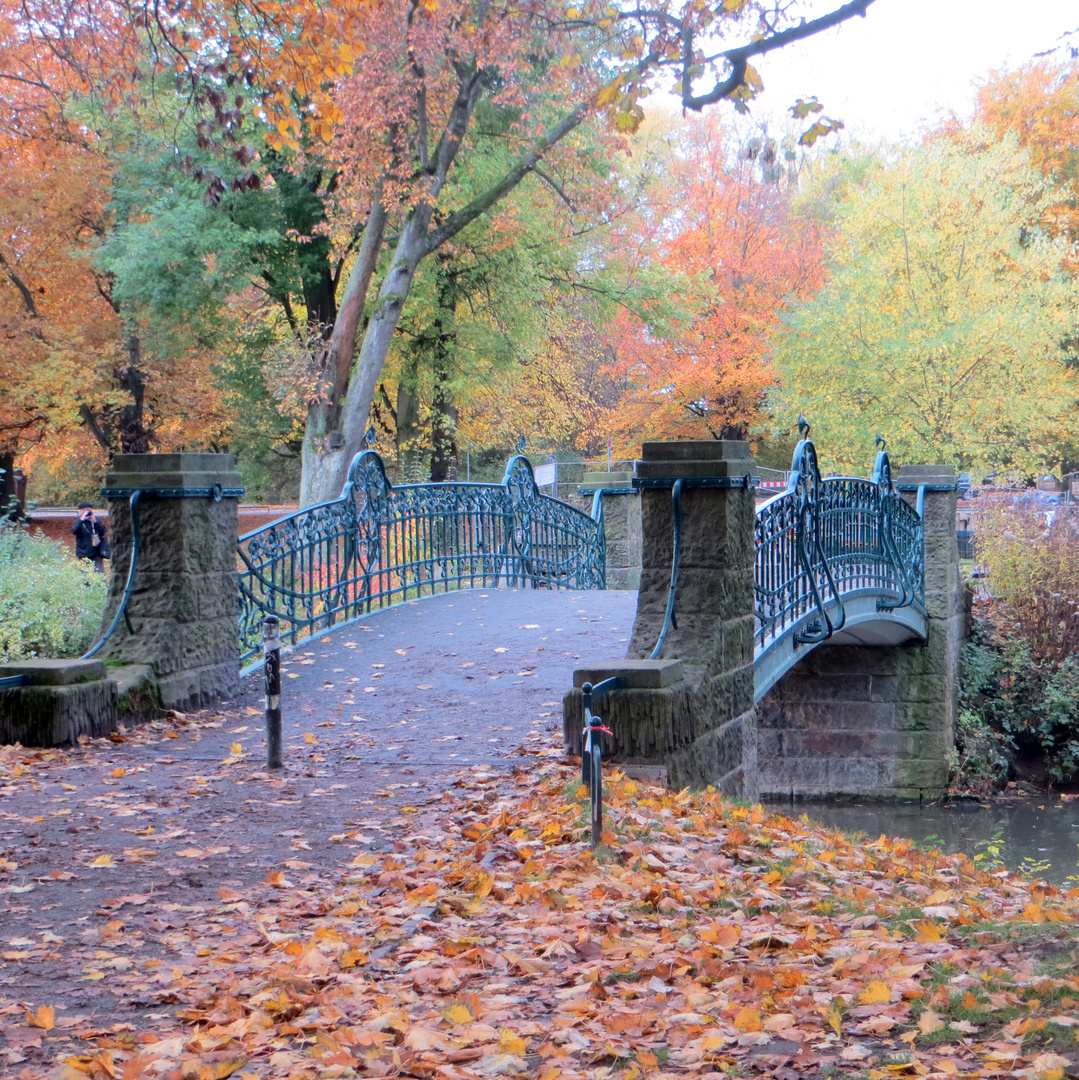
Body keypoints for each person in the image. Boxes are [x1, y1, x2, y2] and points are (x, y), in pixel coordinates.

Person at [72, 503, 110, 573]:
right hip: (83, 551)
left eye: (87, 509)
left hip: (96, 551)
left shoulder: (96, 520)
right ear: (80, 511)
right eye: (83, 510)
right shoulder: (78, 521)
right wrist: (82, 520)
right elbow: (74, 531)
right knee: (85, 575)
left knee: (99, 573)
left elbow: (103, 532)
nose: (86, 511)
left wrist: (95, 522)